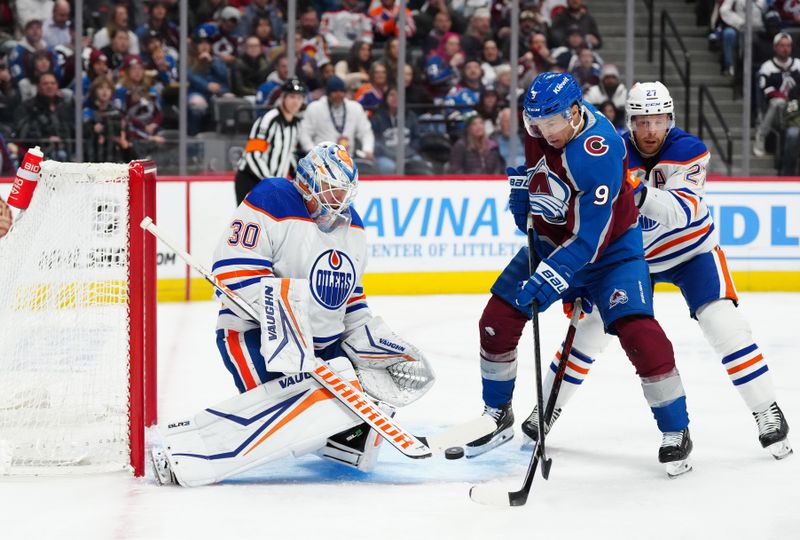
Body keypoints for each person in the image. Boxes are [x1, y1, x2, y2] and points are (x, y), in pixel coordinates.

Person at [522, 81, 793, 461]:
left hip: (691, 252)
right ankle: (547, 409)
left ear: (671, 119)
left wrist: (636, 191)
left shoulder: (690, 150)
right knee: (588, 329)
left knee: (723, 324)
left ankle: (767, 410)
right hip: (633, 258)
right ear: (630, 122)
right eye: (642, 121)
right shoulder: (609, 149)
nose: (651, 130)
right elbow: (587, 219)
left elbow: (683, 212)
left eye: (659, 120)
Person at [149, 142, 434, 486]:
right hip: (257, 336)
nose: (339, 201)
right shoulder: (273, 198)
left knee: (338, 400)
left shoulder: (353, 228)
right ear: (308, 182)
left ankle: (341, 435)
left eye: (344, 192)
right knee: (287, 413)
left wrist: (376, 345)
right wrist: (290, 325)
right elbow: (233, 273)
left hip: (321, 350)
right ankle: (189, 453)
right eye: (331, 190)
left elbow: (351, 305)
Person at [466, 72, 696, 477]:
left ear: (574, 113)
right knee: (496, 323)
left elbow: (592, 237)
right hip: (553, 246)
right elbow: (548, 190)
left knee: (641, 335)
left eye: (552, 124)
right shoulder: (541, 126)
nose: (543, 133)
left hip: (612, 255)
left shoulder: (598, 149)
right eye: (535, 124)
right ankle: (497, 413)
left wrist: (553, 276)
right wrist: (527, 200)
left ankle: (676, 430)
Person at [234, 77, 306, 205]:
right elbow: (253, 155)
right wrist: (271, 181)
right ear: (283, 97)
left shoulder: (296, 125)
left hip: (272, 186)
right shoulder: (268, 120)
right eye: (292, 97)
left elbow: (288, 155)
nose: (296, 102)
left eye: (299, 98)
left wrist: (300, 179)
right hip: (251, 180)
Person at [298, 75, 374, 161]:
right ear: (328, 93)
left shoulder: (355, 108)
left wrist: (367, 149)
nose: (339, 94)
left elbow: (365, 132)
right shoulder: (315, 108)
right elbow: (304, 133)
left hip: (348, 159)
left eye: (341, 91)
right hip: (322, 161)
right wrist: (311, 152)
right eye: (335, 91)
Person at [753, 32, 800, 157]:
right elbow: (765, 90)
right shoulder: (767, 67)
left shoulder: (798, 64)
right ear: (775, 47)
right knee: (778, 102)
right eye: (782, 46)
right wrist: (785, 97)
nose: (785, 49)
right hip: (777, 112)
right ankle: (761, 136)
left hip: (796, 109)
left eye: (788, 46)